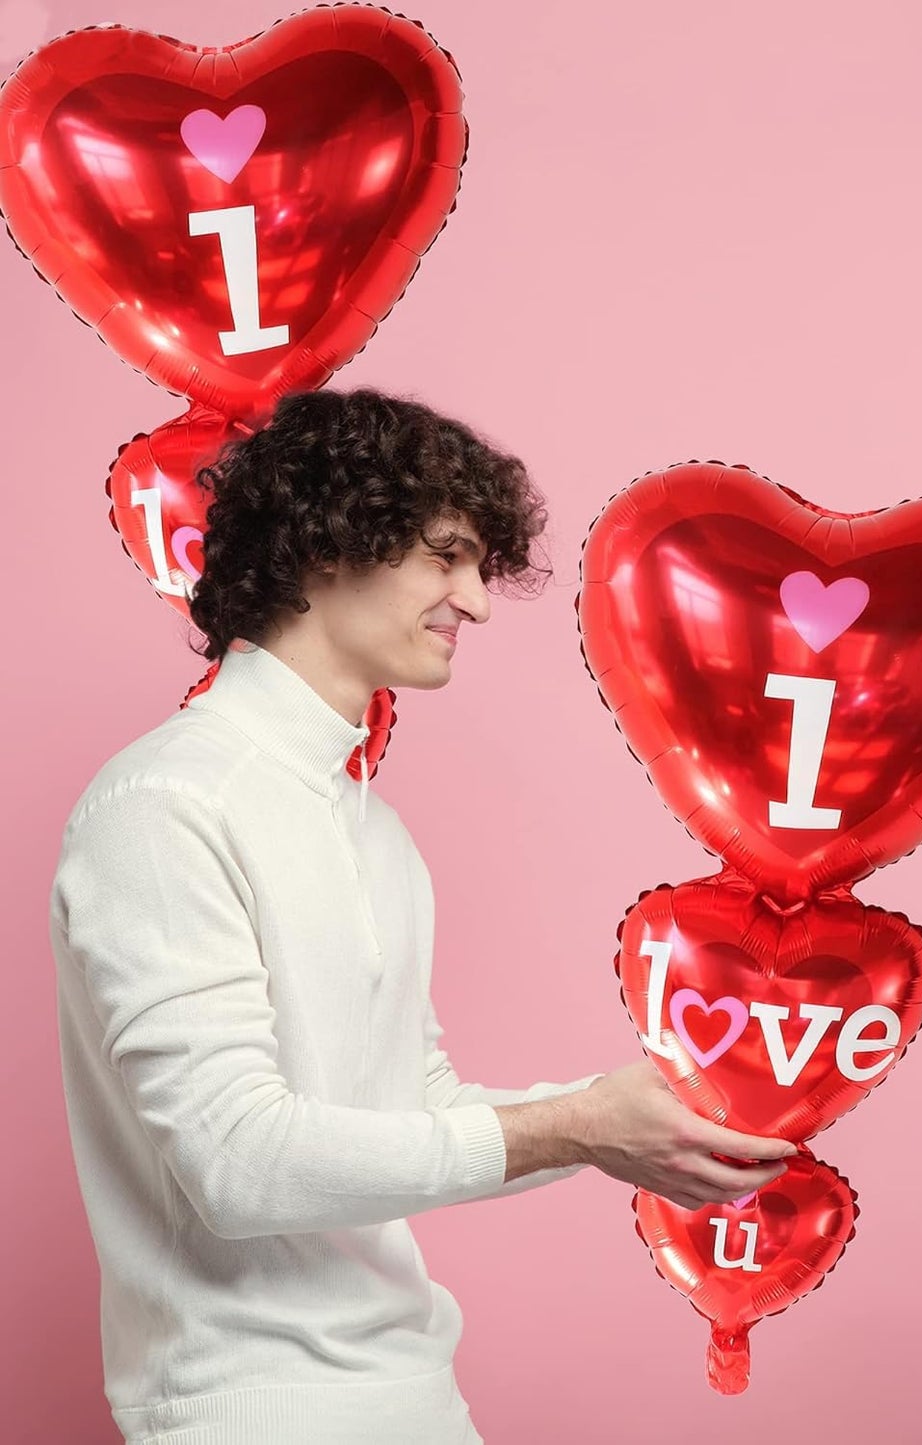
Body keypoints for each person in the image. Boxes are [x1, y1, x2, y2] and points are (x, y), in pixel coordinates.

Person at [49, 388, 795, 1445]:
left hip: (410, 1394)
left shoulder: (371, 827)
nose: (477, 602)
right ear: (323, 547)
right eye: (445, 556)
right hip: (247, 1412)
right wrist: (575, 1123)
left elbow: (409, 1100)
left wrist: (623, 1121)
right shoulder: (164, 805)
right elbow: (234, 1161)